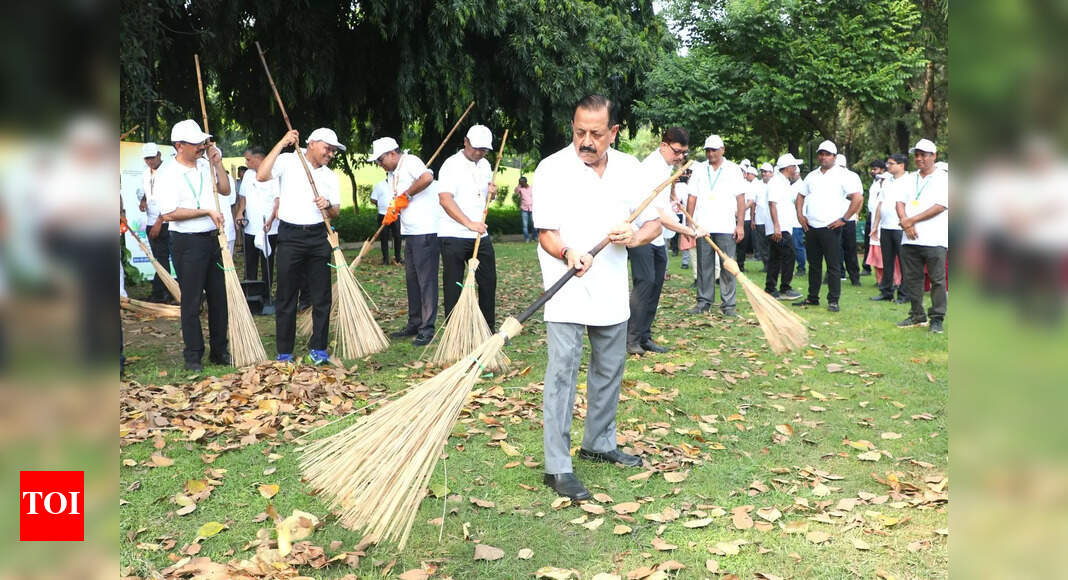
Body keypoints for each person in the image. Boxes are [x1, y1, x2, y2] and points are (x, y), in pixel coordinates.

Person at [532, 95, 662, 500]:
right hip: (566, 287)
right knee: (562, 376)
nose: (586, 141)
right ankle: (557, 467)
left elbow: (654, 224)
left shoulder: (630, 169)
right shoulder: (552, 168)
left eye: (596, 133)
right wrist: (567, 252)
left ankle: (599, 444)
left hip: (610, 290)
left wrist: (636, 236)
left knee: (609, 371)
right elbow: (546, 232)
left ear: (614, 132)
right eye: (579, 132)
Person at [259, 127, 344, 364]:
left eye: (333, 151)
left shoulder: (329, 176)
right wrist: (282, 142)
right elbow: (261, 174)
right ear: (313, 144)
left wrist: (326, 205)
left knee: (321, 296)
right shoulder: (288, 161)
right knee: (286, 295)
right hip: (290, 235)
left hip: (318, 236)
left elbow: (335, 212)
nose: (330, 154)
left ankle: (319, 348)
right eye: (328, 149)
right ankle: (284, 351)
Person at [155, 119, 232, 371]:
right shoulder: (167, 173)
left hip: (212, 240)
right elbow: (168, 213)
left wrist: (217, 164)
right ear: (179, 145)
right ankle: (193, 355)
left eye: (203, 142)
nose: (201, 146)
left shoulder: (205, 165)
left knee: (219, 298)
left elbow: (225, 189)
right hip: (187, 243)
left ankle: (220, 350)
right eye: (196, 143)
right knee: (191, 300)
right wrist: (205, 212)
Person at [627, 127, 696, 355]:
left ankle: (645, 337)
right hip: (642, 233)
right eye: (677, 151)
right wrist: (688, 230)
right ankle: (631, 340)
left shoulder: (666, 167)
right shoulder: (650, 167)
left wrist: (673, 199)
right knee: (644, 283)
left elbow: (663, 202)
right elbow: (659, 214)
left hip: (657, 238)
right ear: (664, 145)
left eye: (684, 153)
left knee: (655, 286)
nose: (680, 157)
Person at [370, 136, 437, 346]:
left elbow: (427, 178)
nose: (380, 165)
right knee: (412, 280)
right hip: (410, 231)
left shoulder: (410, 162)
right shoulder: (393, 173)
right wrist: (394, 208)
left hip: (425, 231)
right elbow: (399, 197)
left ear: (392, 153)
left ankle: (427, 328)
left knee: (426, 282)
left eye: (381, 160)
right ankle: (414, 322)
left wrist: (406, 195)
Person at [437, 125, 499, 330]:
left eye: (484, 149)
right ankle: (454, 330)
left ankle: (487, 328)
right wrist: (468, 223)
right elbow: (445, 200)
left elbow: (484, 197)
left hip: (480, 235)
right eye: (476, 148)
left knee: (488, 281)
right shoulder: (450, 165)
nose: (480, 153)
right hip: (453, 234)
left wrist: (493, 193)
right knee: (454, 284)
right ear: (465, 141)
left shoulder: (485, 165)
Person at [793, 140, 862, 312]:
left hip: (831, 227)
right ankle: (812, 297)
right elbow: (800, 196)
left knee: (833, 266)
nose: (823, 157)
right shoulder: (812, 175)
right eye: (821, 154)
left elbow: (857, 198)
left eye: (827, 154)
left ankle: (833, 300)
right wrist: (800, 216)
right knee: (814, 265)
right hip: (812, 227)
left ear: (834, 157)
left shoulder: (843, 175)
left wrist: (844, 219)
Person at [686, 134, 745, 317]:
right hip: (703, 226)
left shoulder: (733, 170)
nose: (710, 154)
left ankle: (728, 305)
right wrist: (689, 225)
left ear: (722, 150)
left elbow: (741, 198)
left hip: (726, 226)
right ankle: (704, 302)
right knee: (705, 266)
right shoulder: (699, 169)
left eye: (714, 150)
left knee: (728, 265)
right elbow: (692, 197)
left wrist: (740, 225)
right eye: (708, 150)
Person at [896, 139, 949, 333]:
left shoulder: (944, 178)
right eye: (916, 155)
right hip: (909, 238)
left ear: (934, 156)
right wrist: (904, 220)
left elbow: (941, 206)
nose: (919, 158)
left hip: (935, 238)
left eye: (923, 155)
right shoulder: (910, 178)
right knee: (912, 279)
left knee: (937, 280)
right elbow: (899, 202)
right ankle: (916, 315)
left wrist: (911, 220)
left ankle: (937, 318)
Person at [236, 146, 280, 304]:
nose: (246, 163)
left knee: (267, 263)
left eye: (248, 159)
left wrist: (271, 220)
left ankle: (267, 296)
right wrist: (240, 212)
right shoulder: (248, 175)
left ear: (259, 159)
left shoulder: (274, 174)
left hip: (269, 228)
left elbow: (277, 202)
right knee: (250, 263)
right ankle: (250, 295)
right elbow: (243, 197)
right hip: (250, 227)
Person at [136, 142, 172, 303]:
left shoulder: (169, 172)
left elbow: (170, 201)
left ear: (159, 155)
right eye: (146, 159)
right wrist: (143, 200)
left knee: (172, 260)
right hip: (151, 220)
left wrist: (159, 221)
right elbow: (145, 193)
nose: (150, 161)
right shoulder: (145, 174)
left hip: (167, 221)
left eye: (152, 157)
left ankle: (167, 291)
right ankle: (163, 292)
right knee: (159, 259)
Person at [869, 154, 908, 302]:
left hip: (900, 228)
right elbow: (880, 204)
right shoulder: (886, 182)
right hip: (885, 227)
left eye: (891, 164)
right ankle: (886, 291)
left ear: (901, 165)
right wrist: (875, 226)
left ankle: (905, 294)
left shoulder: (909, 181)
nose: (888, 166)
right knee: (887, 261)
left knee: (904, 262)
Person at [764, 154, 803, 300]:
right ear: (788, 168)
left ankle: (770, 287)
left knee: (776, 257)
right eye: (794, 166)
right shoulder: (776, 183)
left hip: (782, 227)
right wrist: (776, 227)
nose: (795, 169)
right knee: (789, 255)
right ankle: (785, 288)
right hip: (779, 228)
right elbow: (772, 204)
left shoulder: (784, 182)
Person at [835, 154, 865, 286]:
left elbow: (859, 197)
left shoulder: (852, 176)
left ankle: (854, 277)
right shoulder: (830, 176)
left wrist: (856, 214)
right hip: (833, 217)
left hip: (848, 218)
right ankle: (836, 274)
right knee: (834, 248)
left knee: (850, 249)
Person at [369, 178, 402, 264]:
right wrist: (380, 204)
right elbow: (373, 199)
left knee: (398, 236)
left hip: (396, 214)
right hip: (383, 214)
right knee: (384, 237)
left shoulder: (399, 184)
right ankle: (385, 259)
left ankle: (398, 258)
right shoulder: (380, 185)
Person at [862, 160, 886, 275]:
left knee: (880, 246)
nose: (872, 171)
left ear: (882, 169)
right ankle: (868, 268)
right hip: (872, 216)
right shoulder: (875, 182)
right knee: (870, 243)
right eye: (872, 169)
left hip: (881, 218)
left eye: (875, 169)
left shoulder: (885, 182)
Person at [737, 165, 760, 272]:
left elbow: (751, 201)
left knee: (742, 243)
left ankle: (740, 265)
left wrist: (740, 211)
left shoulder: (748, 185)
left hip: (744, 218)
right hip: (729, 217)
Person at [752, 163, 773, 272]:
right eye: (763, 172)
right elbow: (753, 203)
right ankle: (766, 265)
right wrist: (752, 219)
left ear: (772, 173)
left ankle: (774, 266)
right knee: (762, 245)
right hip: (760, 220)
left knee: (773, 244)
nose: (764, 174)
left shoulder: (775, 184)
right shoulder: (757, 185)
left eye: (766, 171)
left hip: (772, 220)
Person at [516, 176, 534, 242]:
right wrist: (518, 186)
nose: (520, 184)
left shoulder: (531, 188)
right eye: (519, 183)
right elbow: (516, 192)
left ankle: (534, 237)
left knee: (534, 224)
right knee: (525, 225)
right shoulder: (520, 189)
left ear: (525, 182)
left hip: (532, 208)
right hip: (524, 209)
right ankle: (527, 238)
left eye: (521, 182)